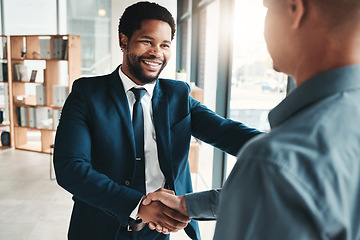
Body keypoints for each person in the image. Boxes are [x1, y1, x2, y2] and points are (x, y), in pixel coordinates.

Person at [144, 0, 360, 239]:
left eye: (267, 8)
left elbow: (238, 142)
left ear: (295, 9)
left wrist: (268, 156)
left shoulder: (274, 162)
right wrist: (188, 205)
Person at [53, 2, 261, 240]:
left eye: (165, 45)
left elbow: (228, 133)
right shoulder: (87, 94)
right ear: (123, 41)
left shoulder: (178, 96)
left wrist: (286, 147)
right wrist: (138, 205)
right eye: (147, 41)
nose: (157, 53)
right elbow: (70, 168)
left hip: (156, 232)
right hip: (99, 227)